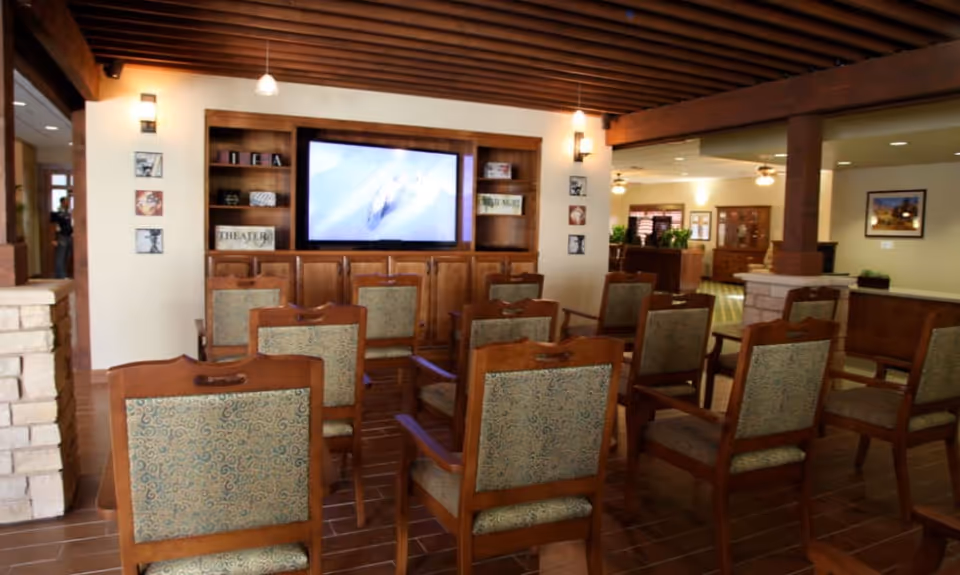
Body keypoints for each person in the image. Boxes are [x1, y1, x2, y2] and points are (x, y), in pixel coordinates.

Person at [51, 196, 73, 279]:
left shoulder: (69, 213)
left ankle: (64, 274)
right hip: (62, 236)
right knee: (61, 256)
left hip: (69, 236)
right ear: (62, 203)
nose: (68, 203)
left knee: (67, 255)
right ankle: (60, 275)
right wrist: (55, 239)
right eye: (66, 202)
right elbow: (55, 226)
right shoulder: (59, 213)